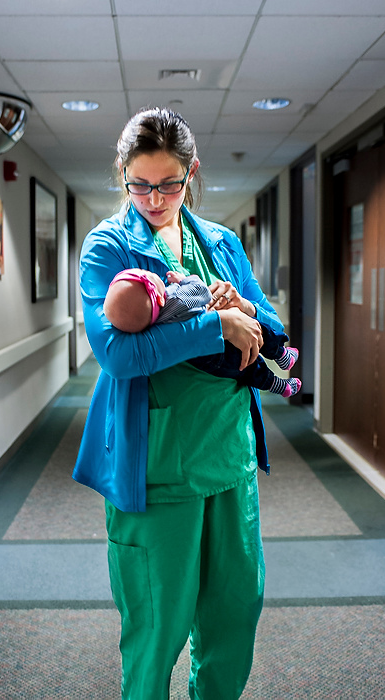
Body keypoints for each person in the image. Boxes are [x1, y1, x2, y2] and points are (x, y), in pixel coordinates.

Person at [73, 107, 286, 700]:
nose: (153, 198)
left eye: (168, 183)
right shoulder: (107, 247)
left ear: (191, 173)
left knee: (235, 614)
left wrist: (241, 309)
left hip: (229, 457)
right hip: (158, 468)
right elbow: (117, 354)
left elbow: (269, 326)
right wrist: (215, 325)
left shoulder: (219, 242)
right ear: (122, 174)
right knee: (157, 629)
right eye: (138, 183)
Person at [104, 267, 301, 397]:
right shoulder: (175, 300)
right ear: (159, 299)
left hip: (209, 362)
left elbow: (273, 318)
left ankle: (278, 385)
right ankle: (282, 355)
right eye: (145, 274)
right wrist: (185, 280)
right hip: (221, 344)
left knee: (249, 369)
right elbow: (200, 291)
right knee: (261, 334)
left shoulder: (154, 321)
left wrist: (245, 304)